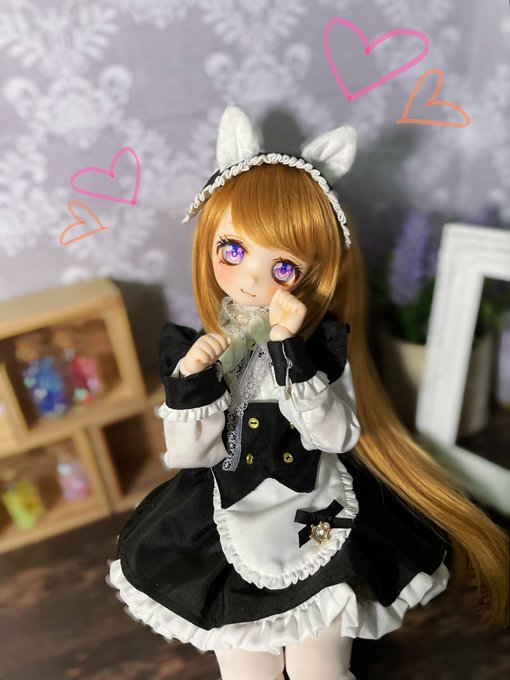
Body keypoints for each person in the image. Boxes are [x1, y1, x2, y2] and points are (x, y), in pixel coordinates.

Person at [109, 106, 508, 680]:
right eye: (233, 250)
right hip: (225, 514)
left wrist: (290, 353)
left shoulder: (317, 350)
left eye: (283, 267)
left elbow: (337, 435)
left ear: (311, 272)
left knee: (320, 670)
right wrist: (193, 380)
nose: (251, 278)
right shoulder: (198, 349)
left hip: (316, 510)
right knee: (246, 671)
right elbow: (188, 455)